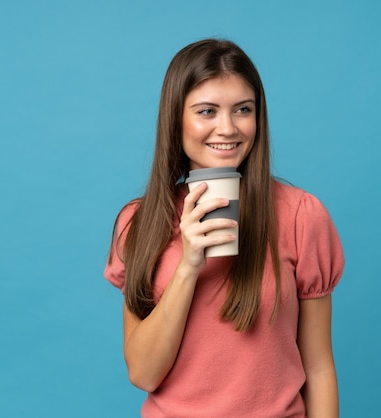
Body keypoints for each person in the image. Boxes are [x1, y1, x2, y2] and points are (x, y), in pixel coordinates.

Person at [104, 38, 345, 418]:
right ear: (176, 118)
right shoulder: (139, 223)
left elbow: (318, 368)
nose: (228, 128)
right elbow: (144, 373)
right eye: (207, 111)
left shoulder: (301, 216)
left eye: (243, 110)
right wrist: (188, 265)